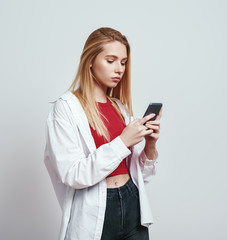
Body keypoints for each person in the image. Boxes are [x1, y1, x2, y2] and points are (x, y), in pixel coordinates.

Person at [44, 27, 162, 240]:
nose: (119, 69)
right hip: (96, 211)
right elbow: (72, 173)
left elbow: (141, 177)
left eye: (123, 62)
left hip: (132, 203)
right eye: (111, 60)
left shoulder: (120, 108)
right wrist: (123, 141)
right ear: (90, 60)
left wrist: (150, 146)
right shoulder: (66, 108)